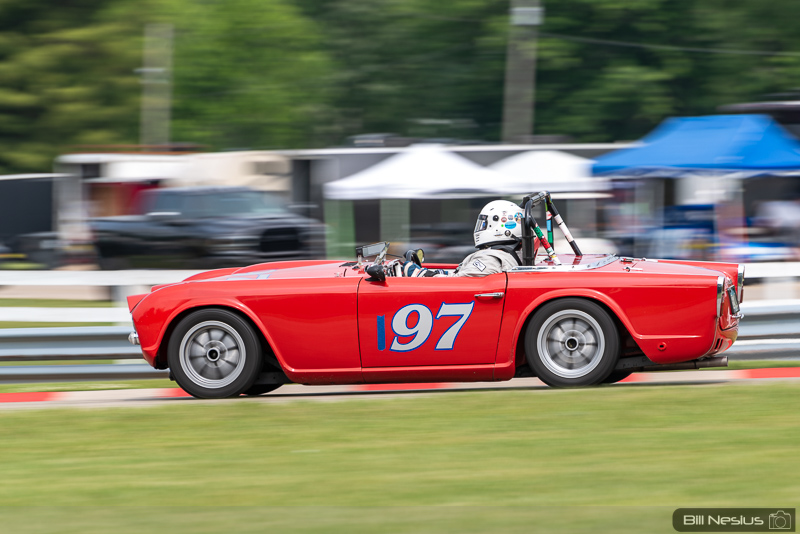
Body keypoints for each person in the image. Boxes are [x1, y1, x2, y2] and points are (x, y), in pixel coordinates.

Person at [397, 200, 533, 278]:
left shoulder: (492, 258)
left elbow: (458, 282)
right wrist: (439, 272)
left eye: (484, 223)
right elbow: (460, 273)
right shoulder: (505, 255)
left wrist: (416, 272)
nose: (481, 227)